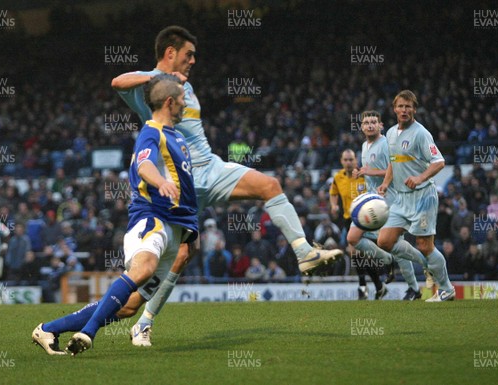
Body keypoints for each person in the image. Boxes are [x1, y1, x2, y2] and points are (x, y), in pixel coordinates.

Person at [111, 26, 342, 345]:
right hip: (182, 182)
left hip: (210, 166)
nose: (193, 60)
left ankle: (304, 252)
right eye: (188, 54)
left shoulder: (186, 88)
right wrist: (158, 81)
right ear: (170, 53)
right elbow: (117, 82)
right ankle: (135, 320)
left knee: (270, 185)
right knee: (177, 259)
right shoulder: (151, 84)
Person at [32, 74, 198, 355]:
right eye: (183, 99)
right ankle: (88, 333)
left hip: (175, 231)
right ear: (169, 102)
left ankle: (48, 329)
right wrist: (161, 183)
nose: (186, 104)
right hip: (152, 219)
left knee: (130, 307)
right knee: (142, 269)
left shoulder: (178, 137)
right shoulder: (152, 131)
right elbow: (145, 165)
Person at [377, 90, 455, 302]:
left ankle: (447, 289)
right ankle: (425, 261)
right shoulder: (391, 133)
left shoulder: (421, 133)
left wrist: (420, 178)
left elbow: (439, 162)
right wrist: (385, 183)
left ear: (414, 109)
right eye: (401, 106)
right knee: (384, 241)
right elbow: (394, 162)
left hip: (423, 196)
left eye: (408, 106)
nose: (404, 110)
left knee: (425, 244)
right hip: (401, 198)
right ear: (394, 109)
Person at [346, 111, 422, 300]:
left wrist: (372, 172)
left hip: (392, 200)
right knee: (353, 237)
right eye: (366, 123)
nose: (370, 125)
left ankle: (415, 287)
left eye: (374, 122)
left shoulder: (387, 144)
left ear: (380, 125)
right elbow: (370, 171)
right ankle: (387, 260)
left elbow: (396, 169)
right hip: (373, 200)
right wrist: (362, 174)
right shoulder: (364, 146)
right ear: (362, 127)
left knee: (396, 245)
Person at [330, 148, 386, 300]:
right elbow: (333, 192)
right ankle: (378, 286)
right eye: (345, 160)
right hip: (348, 219)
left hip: (365, 220)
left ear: (356, 160)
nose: (348, 162)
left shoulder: (364, 176)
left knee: (356, 252)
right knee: (358, 254)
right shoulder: (338, 177)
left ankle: (363, 286)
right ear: (342, 161)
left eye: (351, 159)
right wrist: (334, 205)